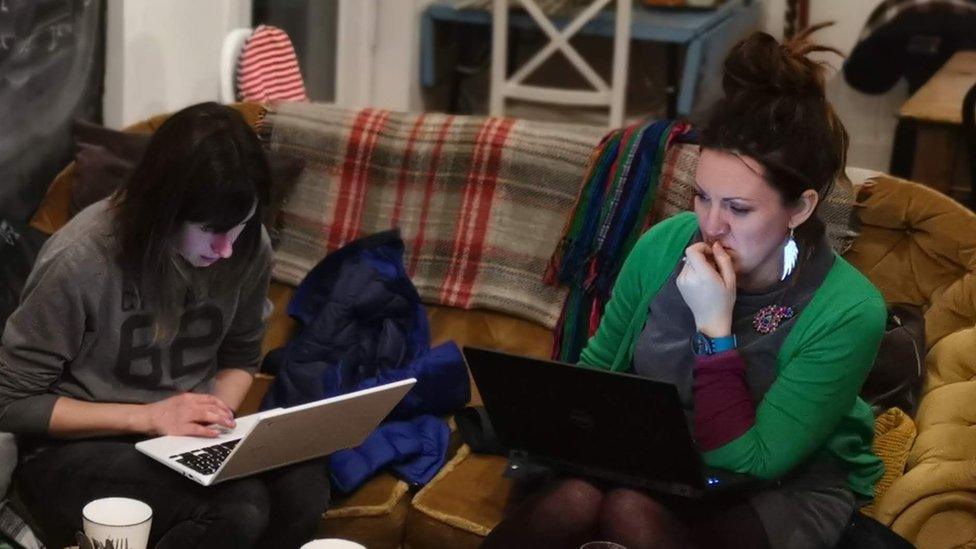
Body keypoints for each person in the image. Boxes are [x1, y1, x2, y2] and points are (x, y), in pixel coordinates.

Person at [482, 29, 887, 549]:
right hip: (660, 459)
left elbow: (751, 459)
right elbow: (598, 371)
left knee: (630, 512)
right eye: (702, 197)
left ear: (802, 207)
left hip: (774, 484)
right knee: (574, 501)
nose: (712, 225)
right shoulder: (663, 246)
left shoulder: (848, 310)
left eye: (738, 208)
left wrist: (715, 331)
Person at [0, 102, 330, 549]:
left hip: (176, 444)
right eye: (211, 230)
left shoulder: (249, 246)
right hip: (73, 451)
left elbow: (240, 355)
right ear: (163, 209)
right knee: (237, 506)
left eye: (240, 226)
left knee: (304, 486)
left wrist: (213, 419)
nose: (226, 248)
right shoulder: (81, 258)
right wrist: (150, 418)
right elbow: (11, 402)